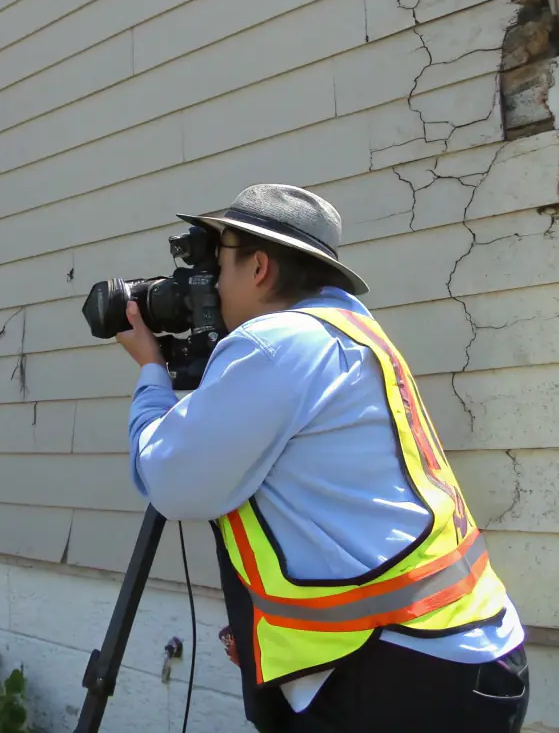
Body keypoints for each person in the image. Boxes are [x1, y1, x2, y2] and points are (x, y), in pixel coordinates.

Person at [118, 183, 530, 732]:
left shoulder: (277, 343)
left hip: (403, 675)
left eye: (220, 265)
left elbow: (169, 481)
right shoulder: (352, 332)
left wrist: (150, 370)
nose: (212, 284)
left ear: (259, 267)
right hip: (466, 650)